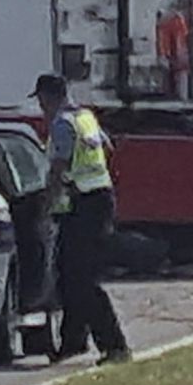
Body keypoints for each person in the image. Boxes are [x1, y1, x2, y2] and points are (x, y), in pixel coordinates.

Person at [33, 71, 130, 366]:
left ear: (49, 97)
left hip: (85, 206)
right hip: (95, 201)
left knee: (83, 280)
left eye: (40, 100)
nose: (40, 107)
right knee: (68, 275)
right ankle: (73, 341)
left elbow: (58, 169)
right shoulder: (85, 117)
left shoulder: (63, 124)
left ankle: (115, 346)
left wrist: (45, 209)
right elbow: (106, 147)